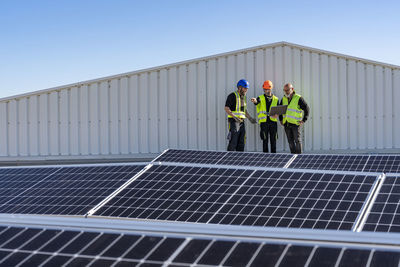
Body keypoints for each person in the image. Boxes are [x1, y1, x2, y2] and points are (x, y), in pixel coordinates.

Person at [224, 79, 256, 151]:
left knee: (241, 142)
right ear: (240, 87)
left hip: (241, 122)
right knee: (233, 141)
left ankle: (239, 159)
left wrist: (250, 118)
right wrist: (235, 117)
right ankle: (229, 159)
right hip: (234, 122)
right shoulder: (232, 96)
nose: (246, 90)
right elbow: (226, 108)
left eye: (246, 89)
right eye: (245, 88)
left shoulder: (243, 97)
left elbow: (244, 110)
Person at [279, 83, 310, 154]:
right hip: (286, 123)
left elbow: (307, 108)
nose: (286, 91)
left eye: (288, 90)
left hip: (295, 124)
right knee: (290, 141)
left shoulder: (298, 98)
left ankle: (299, 157)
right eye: (285, 90)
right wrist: (280, 119)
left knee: (297, 141)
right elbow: (280, 109)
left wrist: (304, 120)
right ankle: (292, 156)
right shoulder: (283, 99)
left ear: (292, 89)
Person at [251, 80, 279, 153]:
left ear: (271, 88)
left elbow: (279, 110)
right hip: (264, 123)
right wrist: (255, 101)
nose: (266, 90)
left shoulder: (276, 99)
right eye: (265, 89)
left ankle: (274, 157)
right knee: (265, 140)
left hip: (273, 122)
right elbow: (257, 102)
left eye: (267, 89)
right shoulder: (260, 98)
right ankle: (265, 157)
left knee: (273, 141)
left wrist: (277, 115)